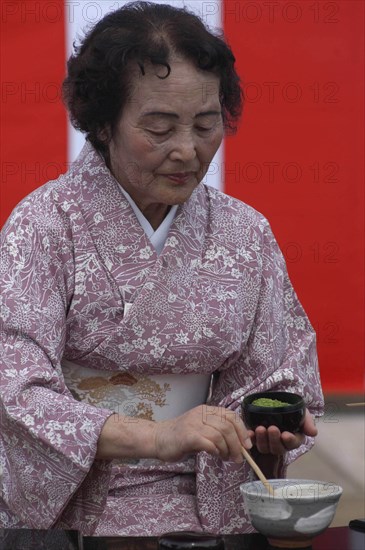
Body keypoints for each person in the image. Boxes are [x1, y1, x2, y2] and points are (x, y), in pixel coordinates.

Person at [0, 1, 324, 536]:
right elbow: (14, 390)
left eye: (205, 124)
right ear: (103, 123)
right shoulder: (43, 226)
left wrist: (266, 424)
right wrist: (159, 436)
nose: (187, 151)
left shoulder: (245, 233)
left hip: (211, 505)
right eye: (159, 128)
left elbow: (277, 372)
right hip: (76, 510)